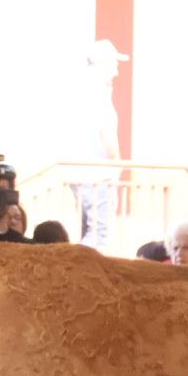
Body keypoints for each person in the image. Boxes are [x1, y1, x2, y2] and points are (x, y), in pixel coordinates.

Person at [76, 40, 125, 251]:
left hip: (87, 173)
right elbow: (106, 135)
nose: (116, 71)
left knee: (94, 230)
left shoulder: (82, 92)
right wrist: (117, 165)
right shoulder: (96, 94)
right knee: (100, 234)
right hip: (98, 174)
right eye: (113, 64)